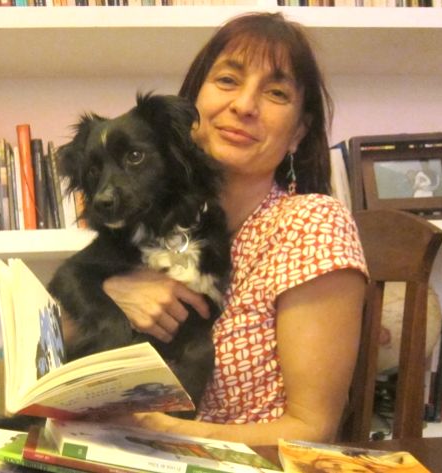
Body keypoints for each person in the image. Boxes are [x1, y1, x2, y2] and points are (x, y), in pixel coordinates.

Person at [102, 12, 368, 446]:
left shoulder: (311, 225)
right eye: (228, 80)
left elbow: (312, 429)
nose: (244, 105)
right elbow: (60, 343)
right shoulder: (155, 218)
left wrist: (165, 432)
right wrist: (113, 290)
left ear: (299, 132)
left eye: (276, 93)